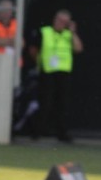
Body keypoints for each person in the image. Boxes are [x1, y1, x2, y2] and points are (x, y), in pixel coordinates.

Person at [31, 9, 83, 142]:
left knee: (62, 104)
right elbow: (34, 50)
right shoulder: (45, 32)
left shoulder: (68, 35)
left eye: (65, 22)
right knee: (45, 103)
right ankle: (37, 131)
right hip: (48, 72)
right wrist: (38, 63)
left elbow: (78, 48)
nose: (62, 23)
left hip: (64, 73)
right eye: (60, 20)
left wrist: (73, 32)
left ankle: (62, 133)